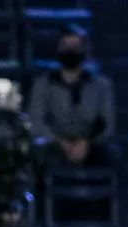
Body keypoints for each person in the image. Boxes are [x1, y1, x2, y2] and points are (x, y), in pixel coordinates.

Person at [28, 29, 116, 168]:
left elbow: (108, 124)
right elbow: (36, 121)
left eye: (75, 46)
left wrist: (86, 143)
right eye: (66, 46)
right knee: (38, 152)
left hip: (90, 143)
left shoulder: (101, 85)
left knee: (111, 152)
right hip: (56, 143)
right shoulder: (43, 84)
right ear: (58, 49)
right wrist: (61, 142)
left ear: (84, 50)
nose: (70, 51)